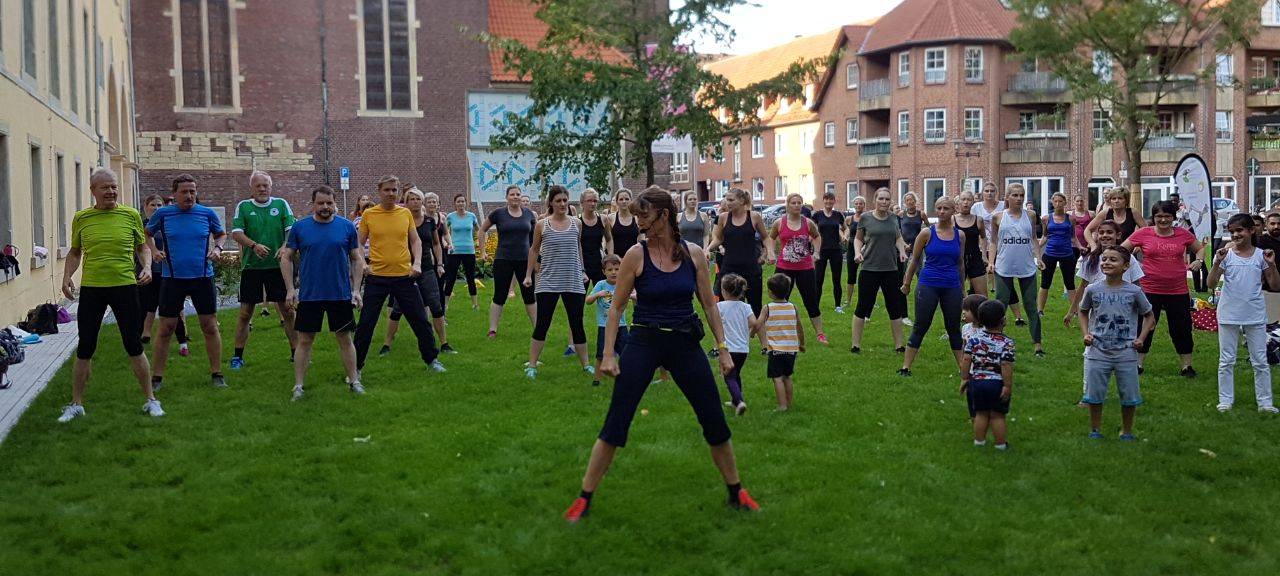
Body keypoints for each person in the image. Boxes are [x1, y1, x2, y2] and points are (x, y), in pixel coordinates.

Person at [562, 189, 758, 523]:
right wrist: (608, 354)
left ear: (664, 216)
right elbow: (617, 309)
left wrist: (723, 349)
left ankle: (736, 491)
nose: (639, 223)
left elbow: (709, 305)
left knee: (713, 418)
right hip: (644, 342)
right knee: (617, 421)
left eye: (644, 217)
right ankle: (584, 497)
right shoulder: (635, 257)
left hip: (684, 343)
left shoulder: (694, 254)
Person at [57, 168, 164, 422]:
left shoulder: (130, 216)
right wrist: (66, 276)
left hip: (124, 287)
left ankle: (151, 400)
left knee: (133, 344)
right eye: (105, 187)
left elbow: (142, 247)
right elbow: (74, 252)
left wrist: (147, 266)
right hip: (93, 288)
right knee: (85, 346)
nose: (111, 191)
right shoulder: (82, 218)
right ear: (93, 191)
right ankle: (76, 403)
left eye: (114, 186)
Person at [352, 176, 446, 375]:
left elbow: (416, 242)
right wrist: (363, 263)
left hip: (404, 276)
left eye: (394, 190)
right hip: (377, 277)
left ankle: (431, 359)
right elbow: (358, 243)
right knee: (367, 323)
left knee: (420, 319)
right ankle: (356, 367)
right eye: (387, 190)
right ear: (380, 191)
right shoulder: (370, 214)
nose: (391, 194)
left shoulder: (405, 214)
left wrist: (418, 263)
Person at [280, 186, 365, 400]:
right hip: (310, 294)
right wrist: (290, 289)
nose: (325, 207)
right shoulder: (300, 228)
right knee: (305, 340)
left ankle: (354, 381)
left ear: (335, 203)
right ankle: (298, 387)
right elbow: (286, 257)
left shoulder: (346, 227)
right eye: (321, 203)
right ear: (313, 204)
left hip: (340, 293)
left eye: (329, 203)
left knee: (345, 338)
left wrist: (356, 290)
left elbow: (357, 258)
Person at [146, 174, 227, 389]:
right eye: (184, 191)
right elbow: (147, 233)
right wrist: (154, 250)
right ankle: (157, 378)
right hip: (172, 278)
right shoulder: (163, 214)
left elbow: (221, 234)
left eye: (192, 191)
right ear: (174, 194)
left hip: (202, 276)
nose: (189, 195)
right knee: (166, 327)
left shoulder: (206, 213)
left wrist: (217, 248)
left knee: (209, 325)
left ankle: (217, 374)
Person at [1078, 245, 1155, 440]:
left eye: (1113, 260)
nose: (1107, 263)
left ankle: (1127, 431)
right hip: (1098, 350)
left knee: (1128, 396)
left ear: (1126, 266)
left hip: (1126, 352)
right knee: (1095, 395)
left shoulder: (1134, 291)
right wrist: (1086, 334)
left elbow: (1149, 317)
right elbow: (1083, 311)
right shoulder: (1092, 289)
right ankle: (1095, 430)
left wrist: (1141, 339)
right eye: (1104, 259)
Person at [1122, 200, 1204, 376]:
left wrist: (1199, 260)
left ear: (1173, 217)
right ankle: (1138, 364)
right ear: (1153, 217)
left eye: (1167, 216)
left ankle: (1186, 366)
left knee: (1181, 328)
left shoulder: (1183, 234)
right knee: (1145, 327)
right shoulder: (1144, 233)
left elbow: (1200, 248)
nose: (1163, 220)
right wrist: (1127, 265)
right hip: (1150, 289)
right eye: (1159, 216)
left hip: (1178, 290)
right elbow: (1122, 250)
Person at [1207, 214, 1280, 413]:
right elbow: (1210, 284)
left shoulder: (1261, 255)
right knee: (1226, 360)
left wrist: (1272, 264)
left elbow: (1275, 285)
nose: (1235, 235)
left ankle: (1265, 403)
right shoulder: (1226, 255)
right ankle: (1225, 401)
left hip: (1255, 314)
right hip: (1229, 313)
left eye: (1239, 230)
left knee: (1260, 361)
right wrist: (1216, 263)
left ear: (1251, 231)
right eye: (1231, 232)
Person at [229, 171, 297, 370]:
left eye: (265, 185)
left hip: (278, 268)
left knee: (288, 310)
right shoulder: (244, 206)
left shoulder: (281, 204)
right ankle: (237, 356)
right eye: (258, 185)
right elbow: (236, 233)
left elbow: (291, 230)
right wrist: (253, 245)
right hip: (252, 268)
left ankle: (296, 352)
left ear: (271, 186)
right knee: (245, 313)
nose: (262, 189)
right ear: (251, 188)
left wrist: (285, 246)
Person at [523, 185, 592, 378]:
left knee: (577, 323)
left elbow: (578, 247)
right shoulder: (542, 225)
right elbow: (534, 250)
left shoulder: (576, 223)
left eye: (565, 200)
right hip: (548, 281)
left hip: (573, 280)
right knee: (542, 323)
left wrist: (583, 270)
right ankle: (532, 365)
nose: (562, 204)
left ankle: (586, 365)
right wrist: (528, 275)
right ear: (551, 203)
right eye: (558, 201)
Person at [900, 196, 966, 375]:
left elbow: (960, 263)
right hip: (928, 284)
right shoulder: (927, 233)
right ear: (935, 210)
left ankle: (963, 369)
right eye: (939, 208)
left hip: (951, 286)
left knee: (953, 327)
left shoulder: (960, 235)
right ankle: (906, 367)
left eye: (946, 208)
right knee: (921, 325)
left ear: (954, 211)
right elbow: (914, 260)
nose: (942, 212)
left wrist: (963, 289)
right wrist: (906, 283)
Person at [381, 189, 451, 356]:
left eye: (417, 199)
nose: (414, 202)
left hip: (426, 268)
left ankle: (444, 343)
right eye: (410, 199)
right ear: (405, 202)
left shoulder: (429, 221)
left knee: (436, 305)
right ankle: (386, 345)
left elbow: (435, 243)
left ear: (422, 201)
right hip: (404, 269)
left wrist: (439, 263)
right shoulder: (400, 220)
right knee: (397, 308)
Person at [988, 184, 1045, 357]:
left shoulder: (1031, 215)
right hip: (1004, 266)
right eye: (1015, 195)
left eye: (1021, 195)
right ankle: (995, 341)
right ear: (1007, 197)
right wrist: (991, 262)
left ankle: (1037, 344)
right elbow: (993, 241)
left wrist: (1039, 257)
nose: (1019, 198)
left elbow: (1034, 238)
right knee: (1000, 304)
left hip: (1026, 266)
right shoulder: (998, 217)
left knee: (1030, 305)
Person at [850, 188, 908, 354]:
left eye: (887, 199)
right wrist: (857, 252)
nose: (884, 202)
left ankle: (899, 346)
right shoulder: (866, 218)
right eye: (881, 199)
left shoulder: (893, 218)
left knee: (894, 307)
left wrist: (902, 251)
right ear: (875, 200)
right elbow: (858, 239)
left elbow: (897, 237)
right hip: (869, 268)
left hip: (890, 269)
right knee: (862, 306)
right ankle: (855, 345)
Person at [479, 185, 538, 338]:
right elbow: (482, 230)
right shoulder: (498, 214)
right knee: (500, 295)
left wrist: (537, 254)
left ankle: (538, 329)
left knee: (529, 295)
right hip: (503, 259)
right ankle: (492, 330)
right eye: (512, 194)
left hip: (525, 260)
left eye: (518, 194)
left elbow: (537, 236)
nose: (515, 197)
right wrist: (483, 251)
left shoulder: (529, 214)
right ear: (507, 197)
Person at [769, 193, 826, 343]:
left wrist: (817, 252)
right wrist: (770, 252)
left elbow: (817, 236)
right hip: (784, 267)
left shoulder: (808, 223)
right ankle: (778, 332)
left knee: (811, 301)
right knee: (780, 300)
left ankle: (820, 334)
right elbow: (771, 238)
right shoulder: (779, 223)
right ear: (788, 205)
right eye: (793, 203)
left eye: (799, 203)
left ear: (802, 205)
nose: (796, 205)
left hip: (805, 268)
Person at [1065, 220, 1146, 326]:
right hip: (1098, 312)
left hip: (1124, 311)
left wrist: (1145, 312)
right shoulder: (1091, 259)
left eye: (1109, 232)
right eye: (1101, 232)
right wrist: (1071, 311)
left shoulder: (1128, 258)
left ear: (1118, 235)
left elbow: (1137, 286)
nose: (1105, 235)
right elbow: (1082, 287)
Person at [138, 194, 190, 357]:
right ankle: (143, 336)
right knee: (146, 306)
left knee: (174, 308)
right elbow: (139, 249)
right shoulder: (141, 227)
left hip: (168, 273)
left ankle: (183, 341)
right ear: (146, 207)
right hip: (148, 272)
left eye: (160, 205)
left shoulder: (169, 224)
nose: (156, 208)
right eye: (153, 205)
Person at [707, 187, 772, 314]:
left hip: (751, 269)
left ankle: (754, 332)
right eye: (726, 199)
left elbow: (765, 237)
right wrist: (708, 249)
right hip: (729, 270)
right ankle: (730, 333)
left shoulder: (754, 217)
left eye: (731, 200)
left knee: (755, 308)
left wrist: (768, 252)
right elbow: (718, 239)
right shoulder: (723, 218)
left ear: (742, 201)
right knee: (727, 308)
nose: (728, 203)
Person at [960, 299, 1014, 450]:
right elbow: (1006, 365)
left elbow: (966, 359)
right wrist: (1007, 386)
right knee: (997, 415)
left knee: (981, 413)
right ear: (1002, 320)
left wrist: (965, 378)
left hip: (976, 382)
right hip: (996, 383)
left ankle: (979, 442)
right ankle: (1000, 445)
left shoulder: (974, 339)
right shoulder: (1007, 343)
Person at [757, 273, 803, 411]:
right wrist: (802, 343)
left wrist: (752, 333)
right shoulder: (793, 307)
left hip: (776, 349)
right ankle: (789, 403)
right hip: (791, 349)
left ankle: (782, 406)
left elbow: (758, 324)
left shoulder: (768, 308)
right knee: (787, 376)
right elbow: (799, 326)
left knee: (777, 378)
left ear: (770, 292)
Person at [586, 255, 628, 387]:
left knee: (626, 353)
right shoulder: (601, 284)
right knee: (601, 354)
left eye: (617, 269)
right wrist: (598, 294)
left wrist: (632, 296)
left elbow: (636, 296)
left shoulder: (624, 284)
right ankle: (597, 379)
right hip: (604, 326)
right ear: (604, 271)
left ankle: (625, 377)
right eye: (610, 270)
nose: (614, 272)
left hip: (621, 326)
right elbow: (588, 301)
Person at [717, 273, 754, 416]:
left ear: (724, 291)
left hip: (728, 349)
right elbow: (754, 323)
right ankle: (735, 400)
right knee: (736, 373)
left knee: (729, 376)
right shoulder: (746, 307)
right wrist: (750, 332)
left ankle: (739, 402)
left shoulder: (720, 306)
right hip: (743, 349)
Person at [1038, 192, 1079, 316]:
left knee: (1070, 283)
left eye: (1060, 201)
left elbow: (1073, 237)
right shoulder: (1046, 218)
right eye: (1055, 201)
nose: (1058, 204)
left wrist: (1081, 247)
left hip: (1067, 254)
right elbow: (1045, 236)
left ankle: (1075, 311)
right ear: (1052, 203)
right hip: (1050, 253)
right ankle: (1040, 310)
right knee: (1045, 283)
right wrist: (1036, 248)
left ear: (1065, 203)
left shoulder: (1071, 219)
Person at [444, 194, 481, 311]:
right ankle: (445, 304)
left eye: (462, 201)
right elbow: (443, 232)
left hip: (469, 251)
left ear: (466, 203)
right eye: (458, 202)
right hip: (454, 252)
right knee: (451, 278)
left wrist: (479, 243)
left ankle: (475, 304)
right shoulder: (450, 217)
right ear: (455, 204)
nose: (461, 204)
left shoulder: (472, 216)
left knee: (471, 278)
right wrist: (447, 243)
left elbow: (479, 230)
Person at [812, 190, 846, 312]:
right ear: (823, 200)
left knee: (836, 279)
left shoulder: (838, 215)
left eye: (831, 199)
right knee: (818, 279)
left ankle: (838, 306)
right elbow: (811, 229)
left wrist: (844, 236)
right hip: (821, 250)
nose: (828, 201)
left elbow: (845, 228)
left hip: (836, 250)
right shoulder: (817, 215)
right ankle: (815, 306)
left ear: (834, 201)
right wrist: (812, 240)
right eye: (826, 199)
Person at [953, 191, 989, 296]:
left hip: (975, 258)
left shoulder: (978, 220)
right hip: (958, 259)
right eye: (963, 199)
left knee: (982, 296)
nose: (966, 202)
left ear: (973, 202)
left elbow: (983, 237)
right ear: (958, 202)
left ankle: (979, 312)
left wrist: (984, 255)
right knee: (957, 295)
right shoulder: (952, 220)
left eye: (969, 199)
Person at [580, 188, 615, 289]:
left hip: (598, 262)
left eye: (595, 201)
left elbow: (609, 239)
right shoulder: (577, 221)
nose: (592, 203)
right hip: (582, 263)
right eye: (589, 201)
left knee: (606, 297)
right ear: (582, 203)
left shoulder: (603, 219)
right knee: (579, 299)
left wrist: (610, 256)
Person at [841, 195, 865, 312]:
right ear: (854, 205)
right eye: (856, 204)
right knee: (851, 275)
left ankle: (870, 300)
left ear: (864, 205)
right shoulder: (849, 219)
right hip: (851, 249)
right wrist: (844, 237)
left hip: (866, 249)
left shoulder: (867, 218)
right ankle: (848, 301)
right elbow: (842, 229)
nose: (858, 205)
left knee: (868, 275)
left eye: (861, 203)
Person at [1256, 212, 1280, 323]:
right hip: (1268, 291)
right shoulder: (1260, 242)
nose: (1276, 226)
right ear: (1266, 225)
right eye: (1273, 223)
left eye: (1279, 224)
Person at [608, 188, 641, 258]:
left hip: (633, 259)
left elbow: (641, 241)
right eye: (621, 199)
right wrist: (610, 257)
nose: (624, 201)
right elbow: (608, 240)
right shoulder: (611, 218)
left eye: (626, 199)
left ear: (631, 201)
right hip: (616, 262)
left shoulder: (638, 218)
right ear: (616, 202)